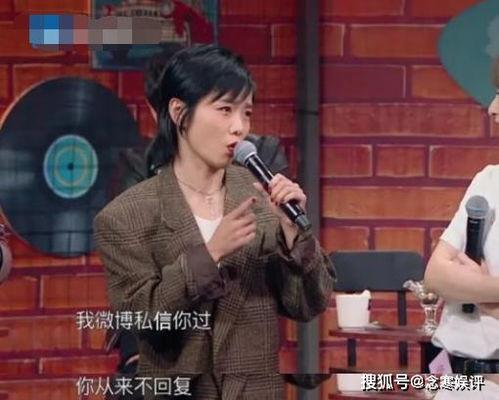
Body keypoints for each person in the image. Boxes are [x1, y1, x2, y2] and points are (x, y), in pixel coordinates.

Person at [93, 44, 336, 399]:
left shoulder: (261, 199)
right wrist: (211, 255)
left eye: (246, 113)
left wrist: (293, 236)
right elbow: (142, 320)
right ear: (179, 113)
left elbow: (307, 305)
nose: (239, 128)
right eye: (224, 110)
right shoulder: (125, 216)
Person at [424, 58, 499, 374]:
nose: (492, 109)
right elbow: (435, 276)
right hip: (454, 377)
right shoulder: (488, 180)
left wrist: (475, 287)